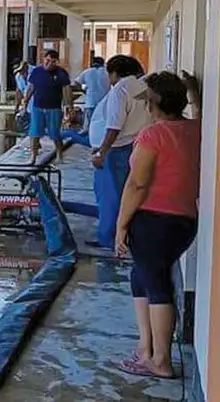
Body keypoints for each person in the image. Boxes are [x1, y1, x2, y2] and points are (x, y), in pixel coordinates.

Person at [116, 71, 201, 379]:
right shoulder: (195, 129)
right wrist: (194, 95)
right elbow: (198, 116)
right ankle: (145, 348)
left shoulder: (152, 136)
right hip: (183, 222)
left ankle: (160, 360)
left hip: (153, 221)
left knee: (156, 284)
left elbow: (136, 185)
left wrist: (121, 226)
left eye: (148, 102)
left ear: (154, 104)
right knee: (141, 277)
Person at [87, 55, 153, 249]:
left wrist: (102, 152)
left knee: (110, 196)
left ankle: (108, 238)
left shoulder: (121, 89)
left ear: (114, 73)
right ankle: (125, 236)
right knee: (127, 194)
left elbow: (114, 126)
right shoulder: (144, 88)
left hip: (116, 150)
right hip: (135, 146)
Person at [22, 50, 72, 164]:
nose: (49, 64)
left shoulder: (61, 73)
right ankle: (33, 156)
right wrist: (25, 101)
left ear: (57, 62)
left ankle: (59, 154)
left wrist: (68, 106)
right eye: (47, 60)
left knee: (55, 133)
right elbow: (31, 87)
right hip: (37, 107)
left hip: (54, 108)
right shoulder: (36, 72)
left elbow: (67, 91)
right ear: (43, 59)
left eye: (53, 62)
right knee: (34, 133)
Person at [74, 56, 111, 133]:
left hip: (90, 102)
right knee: (102, 124)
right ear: (103, 63)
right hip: (104, 103)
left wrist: (83, 90)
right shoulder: (107, 73)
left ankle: (88, 138)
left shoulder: (87, 72)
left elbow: (76, 83)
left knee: (88, 126)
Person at [13, 61, 32, 134]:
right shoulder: (18, 76)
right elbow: (19, 91)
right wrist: (17, 106)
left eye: (21, 70)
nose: (20, 72)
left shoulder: (34, 72)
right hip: (27, 105)